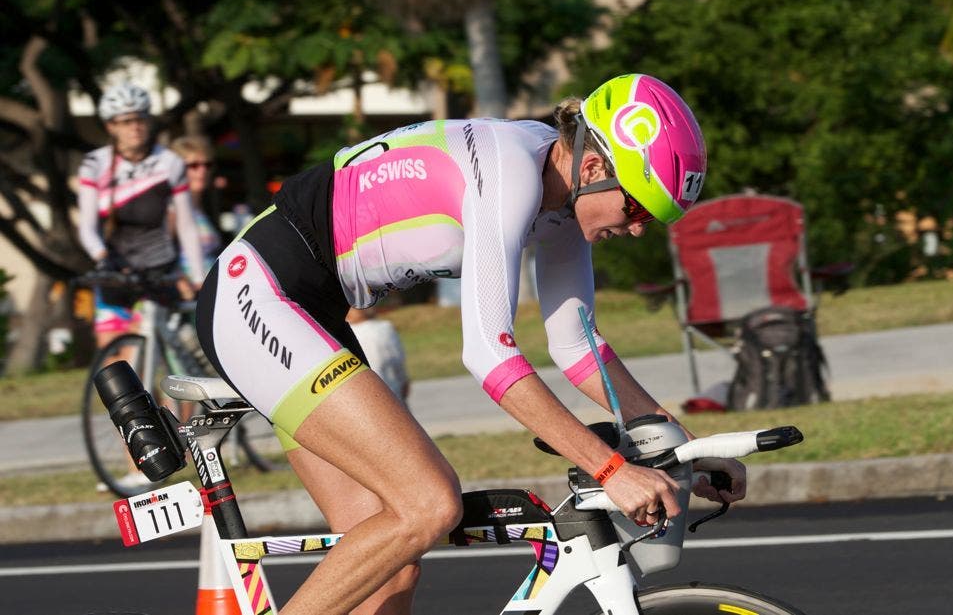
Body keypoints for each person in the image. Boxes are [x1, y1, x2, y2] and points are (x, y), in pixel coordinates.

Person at [195, 73, 746, 615]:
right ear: (596, 166)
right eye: (637, 209)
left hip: (313, 312)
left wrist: (684, 445)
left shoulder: (563, 199)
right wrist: (610, 469)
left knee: (392, 562)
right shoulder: (511, 171)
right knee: (428, 504)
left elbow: (579, 346)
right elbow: (490, 355)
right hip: (257, 294)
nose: (638, 230)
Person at [77, 83, 204, 489]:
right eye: (126, 121)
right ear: (111, 126)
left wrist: (196, 272)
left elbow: (184, 223)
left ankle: (180, 453)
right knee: (121, 374)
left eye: (141, 120)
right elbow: (86, 226)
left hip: (159, 272)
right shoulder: (95, 165)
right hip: (117, 275)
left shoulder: (168, 162)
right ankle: (137, 465)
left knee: (170, 368)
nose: (135, 128)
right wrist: (102, 258)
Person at [169, 135, 223, 279]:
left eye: (207, 165)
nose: (202, 171)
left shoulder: (198, 207)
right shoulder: (172, 208)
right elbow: (161, 255)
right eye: (193, 165)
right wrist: (181, 282)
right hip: (185, 296)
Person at [345, 306, 410, 404]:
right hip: (390, 388)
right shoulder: (385, 327)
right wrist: (403, 379)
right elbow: (397, 358)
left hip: (363, 393)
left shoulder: (347, 334)